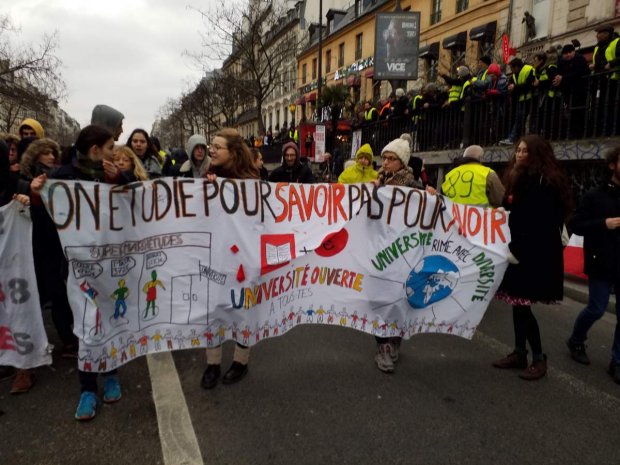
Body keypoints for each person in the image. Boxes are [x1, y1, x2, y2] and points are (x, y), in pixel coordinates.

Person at [30, 125, 126, 420]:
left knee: (109, 321)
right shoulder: (61, 177)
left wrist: (120, 179)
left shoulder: (111, 175)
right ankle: (87, 387)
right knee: (86, 327)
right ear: (96, 150)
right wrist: (35, 195)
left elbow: (136, 196)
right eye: (110, 147)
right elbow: (46, 218)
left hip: (110, 264)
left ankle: (110, 375)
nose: (114, 153)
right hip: (78, 267)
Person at [492, 135, 572, 380]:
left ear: (537, 154)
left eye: (526, 151)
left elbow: (542, 221)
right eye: (518, 150)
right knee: (518, 305)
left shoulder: (545, 182)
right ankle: (519, 352)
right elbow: (511, 209)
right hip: (516, 251)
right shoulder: (518, 178)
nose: (520, 154)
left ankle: (538, 357)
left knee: (523, 307)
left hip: (533, 255)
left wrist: (519, 245)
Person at [200, 128, 260, 390]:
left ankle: (240, 361)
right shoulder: (206, 180)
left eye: (217, 147)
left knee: (243, 309)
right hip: (215, 257)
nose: (211, 150)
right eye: (211, 146)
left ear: (233, 153)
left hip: (243, 260)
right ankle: (212, 364)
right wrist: (207, 190)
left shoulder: (253, 183)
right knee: (212, 309)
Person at [566, 145, 620, 384]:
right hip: (602, 262)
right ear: (612, 165)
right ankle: (576, 340)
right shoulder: (595, 196)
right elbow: (575, 225)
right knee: (597, 309)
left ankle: (617, 361)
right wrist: (603, 223)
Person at [372, 137, 421, 373]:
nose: (386, 163)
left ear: (402, 162)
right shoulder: (377, 183)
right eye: (384, 158)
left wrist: (430, 195)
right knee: (380, 300)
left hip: (403, 252)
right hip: (379, 250)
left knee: (400, 299)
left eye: (391, 159)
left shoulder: (414, 186)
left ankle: (394, 341)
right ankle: (382, 348)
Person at [440, 145, 505, 207]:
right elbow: (500, 200)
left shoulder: (450, 174)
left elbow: (443, 198)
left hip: (454, 217)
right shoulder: (488, 173)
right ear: (480, 158)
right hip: (479, 217)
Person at [553, 44, 589, 139]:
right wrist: (558, 79)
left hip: (580, 90)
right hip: (568, 91)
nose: (568, 55)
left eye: (570, 52)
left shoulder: (579, 58)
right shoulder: (561, 62)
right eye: (565, 53)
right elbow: (559, 73)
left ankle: (580, 133)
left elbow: (581, 72)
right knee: (570, 113)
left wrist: (563, 78)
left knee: (579, 112)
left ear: (574, 52)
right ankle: (572, 132)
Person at [499, 58, 536, 145]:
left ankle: (515, 138)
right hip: (521, 99)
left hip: (531, 98)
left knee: (529, 120)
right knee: (520, 120)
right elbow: (511, 83)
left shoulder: (529, 69)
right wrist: (511, 87)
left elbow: (529, 84)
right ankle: (516, 138)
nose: (511, 70)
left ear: (516, 67)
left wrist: (515, 87)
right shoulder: (515, 74)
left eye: (512, 68)